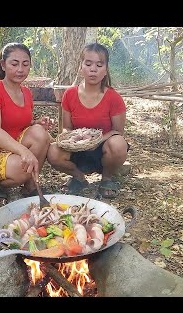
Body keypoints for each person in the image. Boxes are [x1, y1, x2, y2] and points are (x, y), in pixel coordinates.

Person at [47, 42, 129, 199]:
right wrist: (76, 141)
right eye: (88, 63)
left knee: (119, 144)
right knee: (53, 151)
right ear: (80, 67)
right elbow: (66, 128)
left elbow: (118, 131)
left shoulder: (113, 97)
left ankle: (107, 178)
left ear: (105, 70)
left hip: (103, 150)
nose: (93, 69)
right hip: (77, 148)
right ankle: (78, 177)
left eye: (99, 65)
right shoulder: (70, 94)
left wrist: (96, 141)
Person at [0, 42, 54, 201]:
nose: (20, 69)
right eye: (14, 63)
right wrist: (24, 151)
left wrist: (37, 122)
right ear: (3, 65)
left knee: (41, 133)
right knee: (22, 170)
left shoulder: (26, 92)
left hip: (12, 148)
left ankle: (30, 186)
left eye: (25, 64)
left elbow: (19, 123)